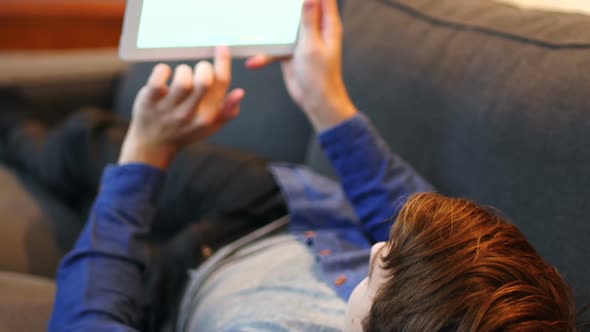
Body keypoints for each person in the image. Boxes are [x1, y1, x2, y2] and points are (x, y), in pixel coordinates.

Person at [9, 0, 570, 330]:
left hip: (193, 277)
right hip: (287, 207)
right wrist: (325, 101)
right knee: (86, 144)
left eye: (383, 269)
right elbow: (414, 225)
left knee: (110, 183)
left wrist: (145, 156)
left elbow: (93, 319)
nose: (378, 245)